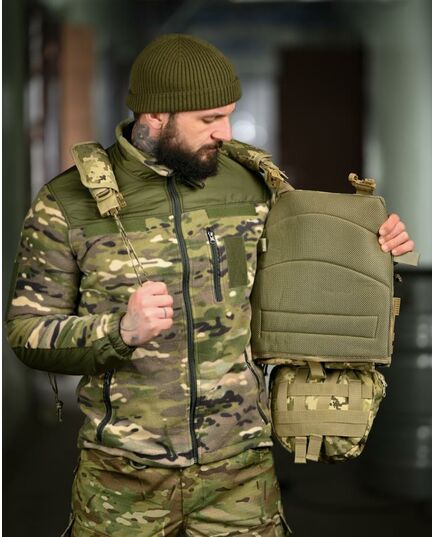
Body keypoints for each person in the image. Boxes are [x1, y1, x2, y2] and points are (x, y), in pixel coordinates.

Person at [6, 34, 415, 537]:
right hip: (121, 477)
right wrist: (120, 331)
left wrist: (375, 243)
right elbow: (27, 332)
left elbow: (308, 272)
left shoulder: (251, 183)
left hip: (240, 470)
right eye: (209, 119)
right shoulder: (67, 202)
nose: (226, 132)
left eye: (229, 115)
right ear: (156, 115)